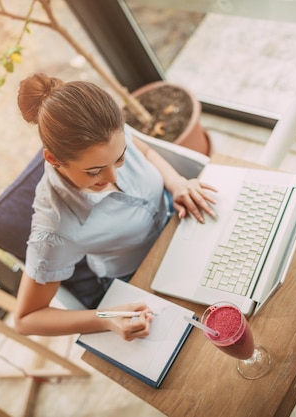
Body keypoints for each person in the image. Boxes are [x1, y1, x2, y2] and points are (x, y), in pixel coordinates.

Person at [13, 73, 217, 342]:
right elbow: (26, 319)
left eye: (120, 158)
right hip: (142, 275)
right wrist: (107, 319)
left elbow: (144, 151)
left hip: (180, 224)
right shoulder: (56, 226)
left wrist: (176, 182)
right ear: (53, 159)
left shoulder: (109, 134)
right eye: (94, 171)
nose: (113, 178)